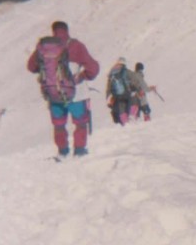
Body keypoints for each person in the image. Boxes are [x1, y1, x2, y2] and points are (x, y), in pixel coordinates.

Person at [27, 20, 100, 157]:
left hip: (54, 92)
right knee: (80, 123)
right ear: (67, 30)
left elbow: (31, 67)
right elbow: (93, 69)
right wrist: (84, 76)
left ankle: (62, 151)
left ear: (53, 31)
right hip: (77, 92)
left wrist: (49, 72)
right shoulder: (76, 46)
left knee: (59, 124)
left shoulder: (44, 47)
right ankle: (79, 151)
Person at [106, 57, 133, 126]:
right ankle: (127, 121)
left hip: (116, 95)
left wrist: (108, 97)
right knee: (128, 105)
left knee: (117, 109)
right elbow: (133, 80)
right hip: (125, 94)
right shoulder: (125, 71)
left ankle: (119, 123)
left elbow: (109, 86)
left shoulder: (112, 72)